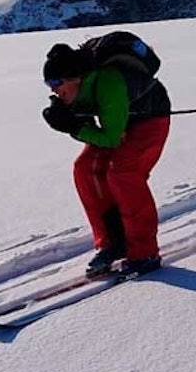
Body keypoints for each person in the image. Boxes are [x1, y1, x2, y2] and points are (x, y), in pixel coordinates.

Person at [41, 39, 172, 278]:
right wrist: (68, 118)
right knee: (85, 168)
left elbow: (111, 139)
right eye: (49, 84)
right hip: (120, 122)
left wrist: (74, 127)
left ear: (75, 77)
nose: (53, 89)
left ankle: (145, 253)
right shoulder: (78, 90)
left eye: (56, 82)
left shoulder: (109, 82)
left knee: (123, 173)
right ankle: (112, 243)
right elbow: (98, 130)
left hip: (150, 119)